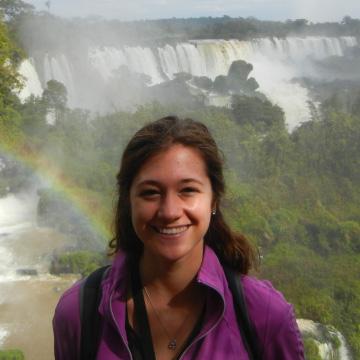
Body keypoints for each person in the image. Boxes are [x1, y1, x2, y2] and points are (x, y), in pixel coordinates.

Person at [53, 116, 305, 360]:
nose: (170, 212)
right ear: (128, 201)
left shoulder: (264, 315)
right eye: (150, 193)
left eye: (188, 190)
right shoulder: (80, 313)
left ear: (213, 199)